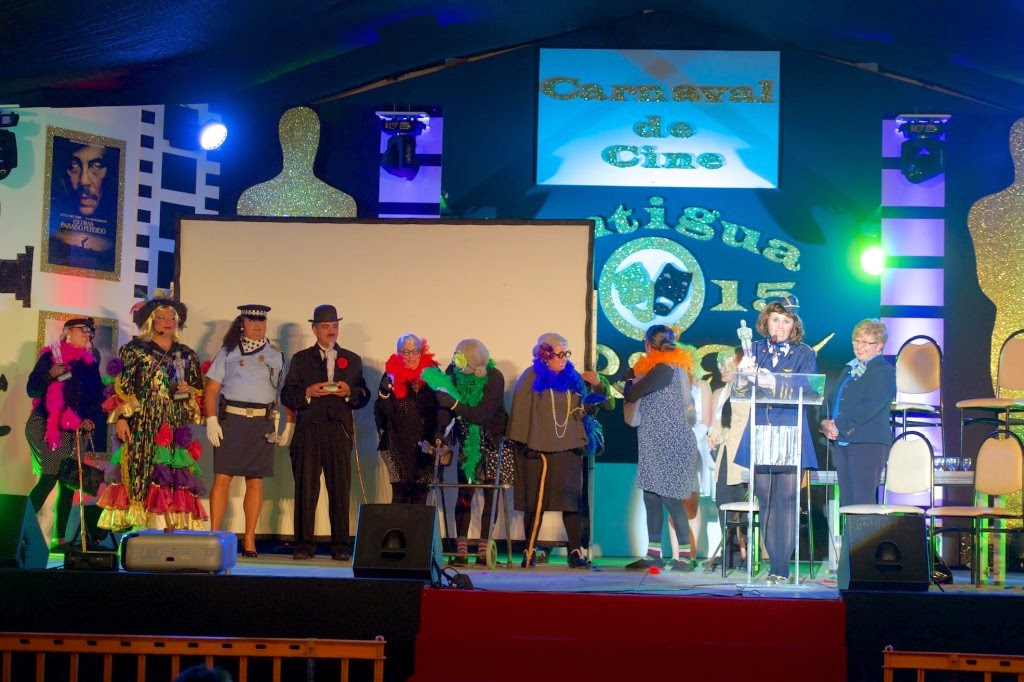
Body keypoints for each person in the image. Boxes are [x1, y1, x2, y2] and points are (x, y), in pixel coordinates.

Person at [98, 296, 207, 532]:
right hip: (142, 422)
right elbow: (123, 387)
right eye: (161, 317)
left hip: (173, 422)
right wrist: (122, 419)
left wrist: (188, 391)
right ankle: (140, 526)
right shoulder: (134, 350)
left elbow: (198, 392)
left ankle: (167, 524)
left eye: (172, 318)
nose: (168, 322)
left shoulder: (186, 354)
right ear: (150, 320)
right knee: (140, 467)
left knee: (170, 472)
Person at [733, 295, 819, 584]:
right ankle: (774, 568)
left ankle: (782, 568)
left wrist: (774, 382)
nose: (780, 326)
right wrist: (743, 375)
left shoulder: (804, 352)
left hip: (790, 432)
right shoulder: (755, 350)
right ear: (766, 322)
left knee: (787, 501)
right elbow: (739, 391)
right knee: (766, 501)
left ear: (794, 325)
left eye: (786, 321)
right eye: (775, 320)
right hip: (760, 431)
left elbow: (810, 389)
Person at [506, 332, 609, 569]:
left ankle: (575, 550)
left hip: (568, 445)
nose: (563, 359)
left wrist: (595, 391)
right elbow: (521, 413)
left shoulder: (573, 376)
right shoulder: (531, 376)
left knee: (570, 500)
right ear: (544, 355)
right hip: (536, 447)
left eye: (566, 353)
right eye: (558, 354)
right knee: (535, 501)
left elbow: (603, 404)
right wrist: (523, 444)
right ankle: (529, 550)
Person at [280, 304, 369, 560]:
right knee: (306, 489)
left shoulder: (352, 359)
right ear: (315, 329)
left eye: (335, 326)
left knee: (339, 489)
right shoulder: (301, 359)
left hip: (338, 430)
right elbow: (287, 394)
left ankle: (340, 546)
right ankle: (303, 545)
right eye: (326, 326)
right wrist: (307, 393)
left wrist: (349, 392)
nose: (331, 331)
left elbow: (363, 394)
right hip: (308, 431)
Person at [204, 304, 292, 558]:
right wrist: (211, 419)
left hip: (262, 422)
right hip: (232, 419)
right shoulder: (228, 352)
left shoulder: (277, 356)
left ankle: (250, 539)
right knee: (223, 477)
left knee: (255, 480)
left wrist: (289, 423)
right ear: (242, 323)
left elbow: (285, 393)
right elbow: (211, 389)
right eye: (252, 321)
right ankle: (214, 534)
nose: (257, 326)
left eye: (261, 322)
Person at [621, 325, 701, 571]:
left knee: (669, 496)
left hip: (670, 442)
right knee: (651, 496)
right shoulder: (670, 368)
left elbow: (631, 394)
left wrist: (629, 378)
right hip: (655, 441)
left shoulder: (664, 369)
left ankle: (685, 557)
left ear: (648, 345)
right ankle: (653, 553)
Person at [25, 317, 107, 552]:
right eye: (83, 330)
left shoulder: (90, 364)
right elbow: (32, 389)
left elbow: (95, 398)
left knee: (67, 481)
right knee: (50, 476)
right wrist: (49, 374)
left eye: (90, 332)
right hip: (46, 425)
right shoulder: (51, 357)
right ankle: (15, 533)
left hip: (74, 429)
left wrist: (90, 419)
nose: (88, 334)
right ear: (68, 331)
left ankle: (58, 540)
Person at [433, 338, 510, 566]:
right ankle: (461, 549)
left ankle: (485, 550)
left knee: (490, 495)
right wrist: (440, 432)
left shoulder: (494, 377)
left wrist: (454, 404)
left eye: (460, 356)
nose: (455, 360)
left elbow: (482, 415)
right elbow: (444, 406)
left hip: (492, 442)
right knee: (464, 494)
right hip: (468, 442)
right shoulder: (453, 373)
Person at [821, 318, 896, 506]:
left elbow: (871, 406)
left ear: (879, 346)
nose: (859, 346)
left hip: (868, 442)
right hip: (844, 441)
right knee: (847, 503)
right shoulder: (849, 368)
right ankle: (851, 530)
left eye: (866, 342)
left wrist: (838, 425)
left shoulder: (884, 371)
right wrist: (825, 422)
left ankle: (866, 529)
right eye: (857, 341)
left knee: (862, 502)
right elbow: (831, 398)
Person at [374, 333, 439, 504]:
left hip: (426, 443)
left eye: (415, 351)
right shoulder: (390, 374)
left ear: (421, 352)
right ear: (398, 354)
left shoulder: (433, 373)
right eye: (405, 352)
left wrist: (438, 435)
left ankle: (418, 524)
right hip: (396, 441)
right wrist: (384, 393)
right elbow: (382, 412)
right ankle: (398, 523)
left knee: (421, 493)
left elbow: (441, 408)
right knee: (400, 493)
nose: (411, 356)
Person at [708, 347, 750, 570]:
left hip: (741, 454)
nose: (722, 370)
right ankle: (730, 554)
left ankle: (747, 555)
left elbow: (741, 420)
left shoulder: (749, 389)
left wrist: (720, 432)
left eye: (727, 366)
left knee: (742, 505)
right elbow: (722, 420)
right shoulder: (728, 390)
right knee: (723, 503)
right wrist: (714, 434)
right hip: (725, 454)